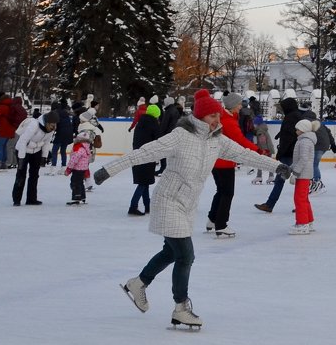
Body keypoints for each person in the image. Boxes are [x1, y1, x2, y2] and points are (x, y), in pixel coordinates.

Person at [96, 89, 287, 330]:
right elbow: (145, 152)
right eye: (211, 117)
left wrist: (277, 166)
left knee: (170, 251)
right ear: (198, 118)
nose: (216, 121)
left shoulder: (218, 141)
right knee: (185, 255)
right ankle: (181, 308)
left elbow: (245, 155)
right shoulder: (180, 136)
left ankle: (139, 283)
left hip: (188, 205)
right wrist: (109, 170)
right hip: (168, 200)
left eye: (217, 116)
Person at [207, 93, 264, 237]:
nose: (241, 107)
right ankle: (221, 225)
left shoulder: (223, 118)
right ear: (233, 105)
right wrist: (258, 149)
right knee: (227, 193)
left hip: (216, 161)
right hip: (224, 162)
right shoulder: (228, 121)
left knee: (221, 191)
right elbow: (240, 140)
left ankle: (212, 220)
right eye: (239, 104)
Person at [254, 94, 301, 213]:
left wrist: (280, 153)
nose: (281, 110)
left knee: (281, 179)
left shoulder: (290, 117)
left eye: (283, 107)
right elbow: (290, 133)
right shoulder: (296, 115)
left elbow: (289, 137)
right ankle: (301, 205)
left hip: (289, 153)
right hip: (294, 152)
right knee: (299, 179)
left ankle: (270, 204)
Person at [12, 110, 57, 205]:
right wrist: (21, 158)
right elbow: (23, 141)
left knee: (34, 175)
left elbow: (46, 143)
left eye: (55, 124)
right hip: (22, 150)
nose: (53, 127)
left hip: (36, 151)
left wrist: (44, 157)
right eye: (51, 124)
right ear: (46, 122)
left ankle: (31, 199)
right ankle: (16, 199)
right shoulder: (34, 125)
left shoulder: (50, 130)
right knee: (21, 175)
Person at [129, 103, 160, 216]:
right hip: (147, 156)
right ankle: (133, 206)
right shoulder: (154, 124)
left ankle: (147, 206)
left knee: (144, 181)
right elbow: (158, 140)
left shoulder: (140, 123)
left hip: (137, 154)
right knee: (143, 183)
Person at [290, 119, 318, 234]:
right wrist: (290, 168)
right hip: (303, 172)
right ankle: (309, 221)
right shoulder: (304, 140)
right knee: (304, 198)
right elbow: (298, 159)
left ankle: (302, 224)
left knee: (299, 199)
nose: (296, 131)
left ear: (303, 130)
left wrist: (295, 173)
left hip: (303, 174)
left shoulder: (305, 141)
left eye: (297, 129)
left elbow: (303, 159)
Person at [65, 130, 93, 205]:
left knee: (75, 183)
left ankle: (76, 198)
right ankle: (82, 197)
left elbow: (74, 159)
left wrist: (68, 169)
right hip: (83, 168)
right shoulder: (86, 147)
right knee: (80, 183)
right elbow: (89, 158)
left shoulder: (79, 147)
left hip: (77, 169)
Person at [311, 117, 336, 194]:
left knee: (314, 164)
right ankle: (316, 182)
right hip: (324, 145)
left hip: (318, 146)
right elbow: (328, 132)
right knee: (313, 164)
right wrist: (333, 144)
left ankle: (318, 183)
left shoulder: (306, 121)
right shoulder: (318, 121)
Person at [47, 100, 74, 171]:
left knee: (54, 150)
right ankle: (63, 167)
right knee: (63, 150)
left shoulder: (55, 113)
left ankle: (53, 168)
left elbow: (54, 125)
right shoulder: (65, 112)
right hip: (68, 134)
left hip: (61, 133)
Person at [251, 116, 276, 184]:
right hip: (268, 148)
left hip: (265, 149)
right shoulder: (263, 129)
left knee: (260, 162)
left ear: (258, 124)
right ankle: (271, 176)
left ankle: (259, 177)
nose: (254, 125)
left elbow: (263, 141)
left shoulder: (260, 131)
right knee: (269, 163)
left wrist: (264, 150)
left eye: (255, 124)